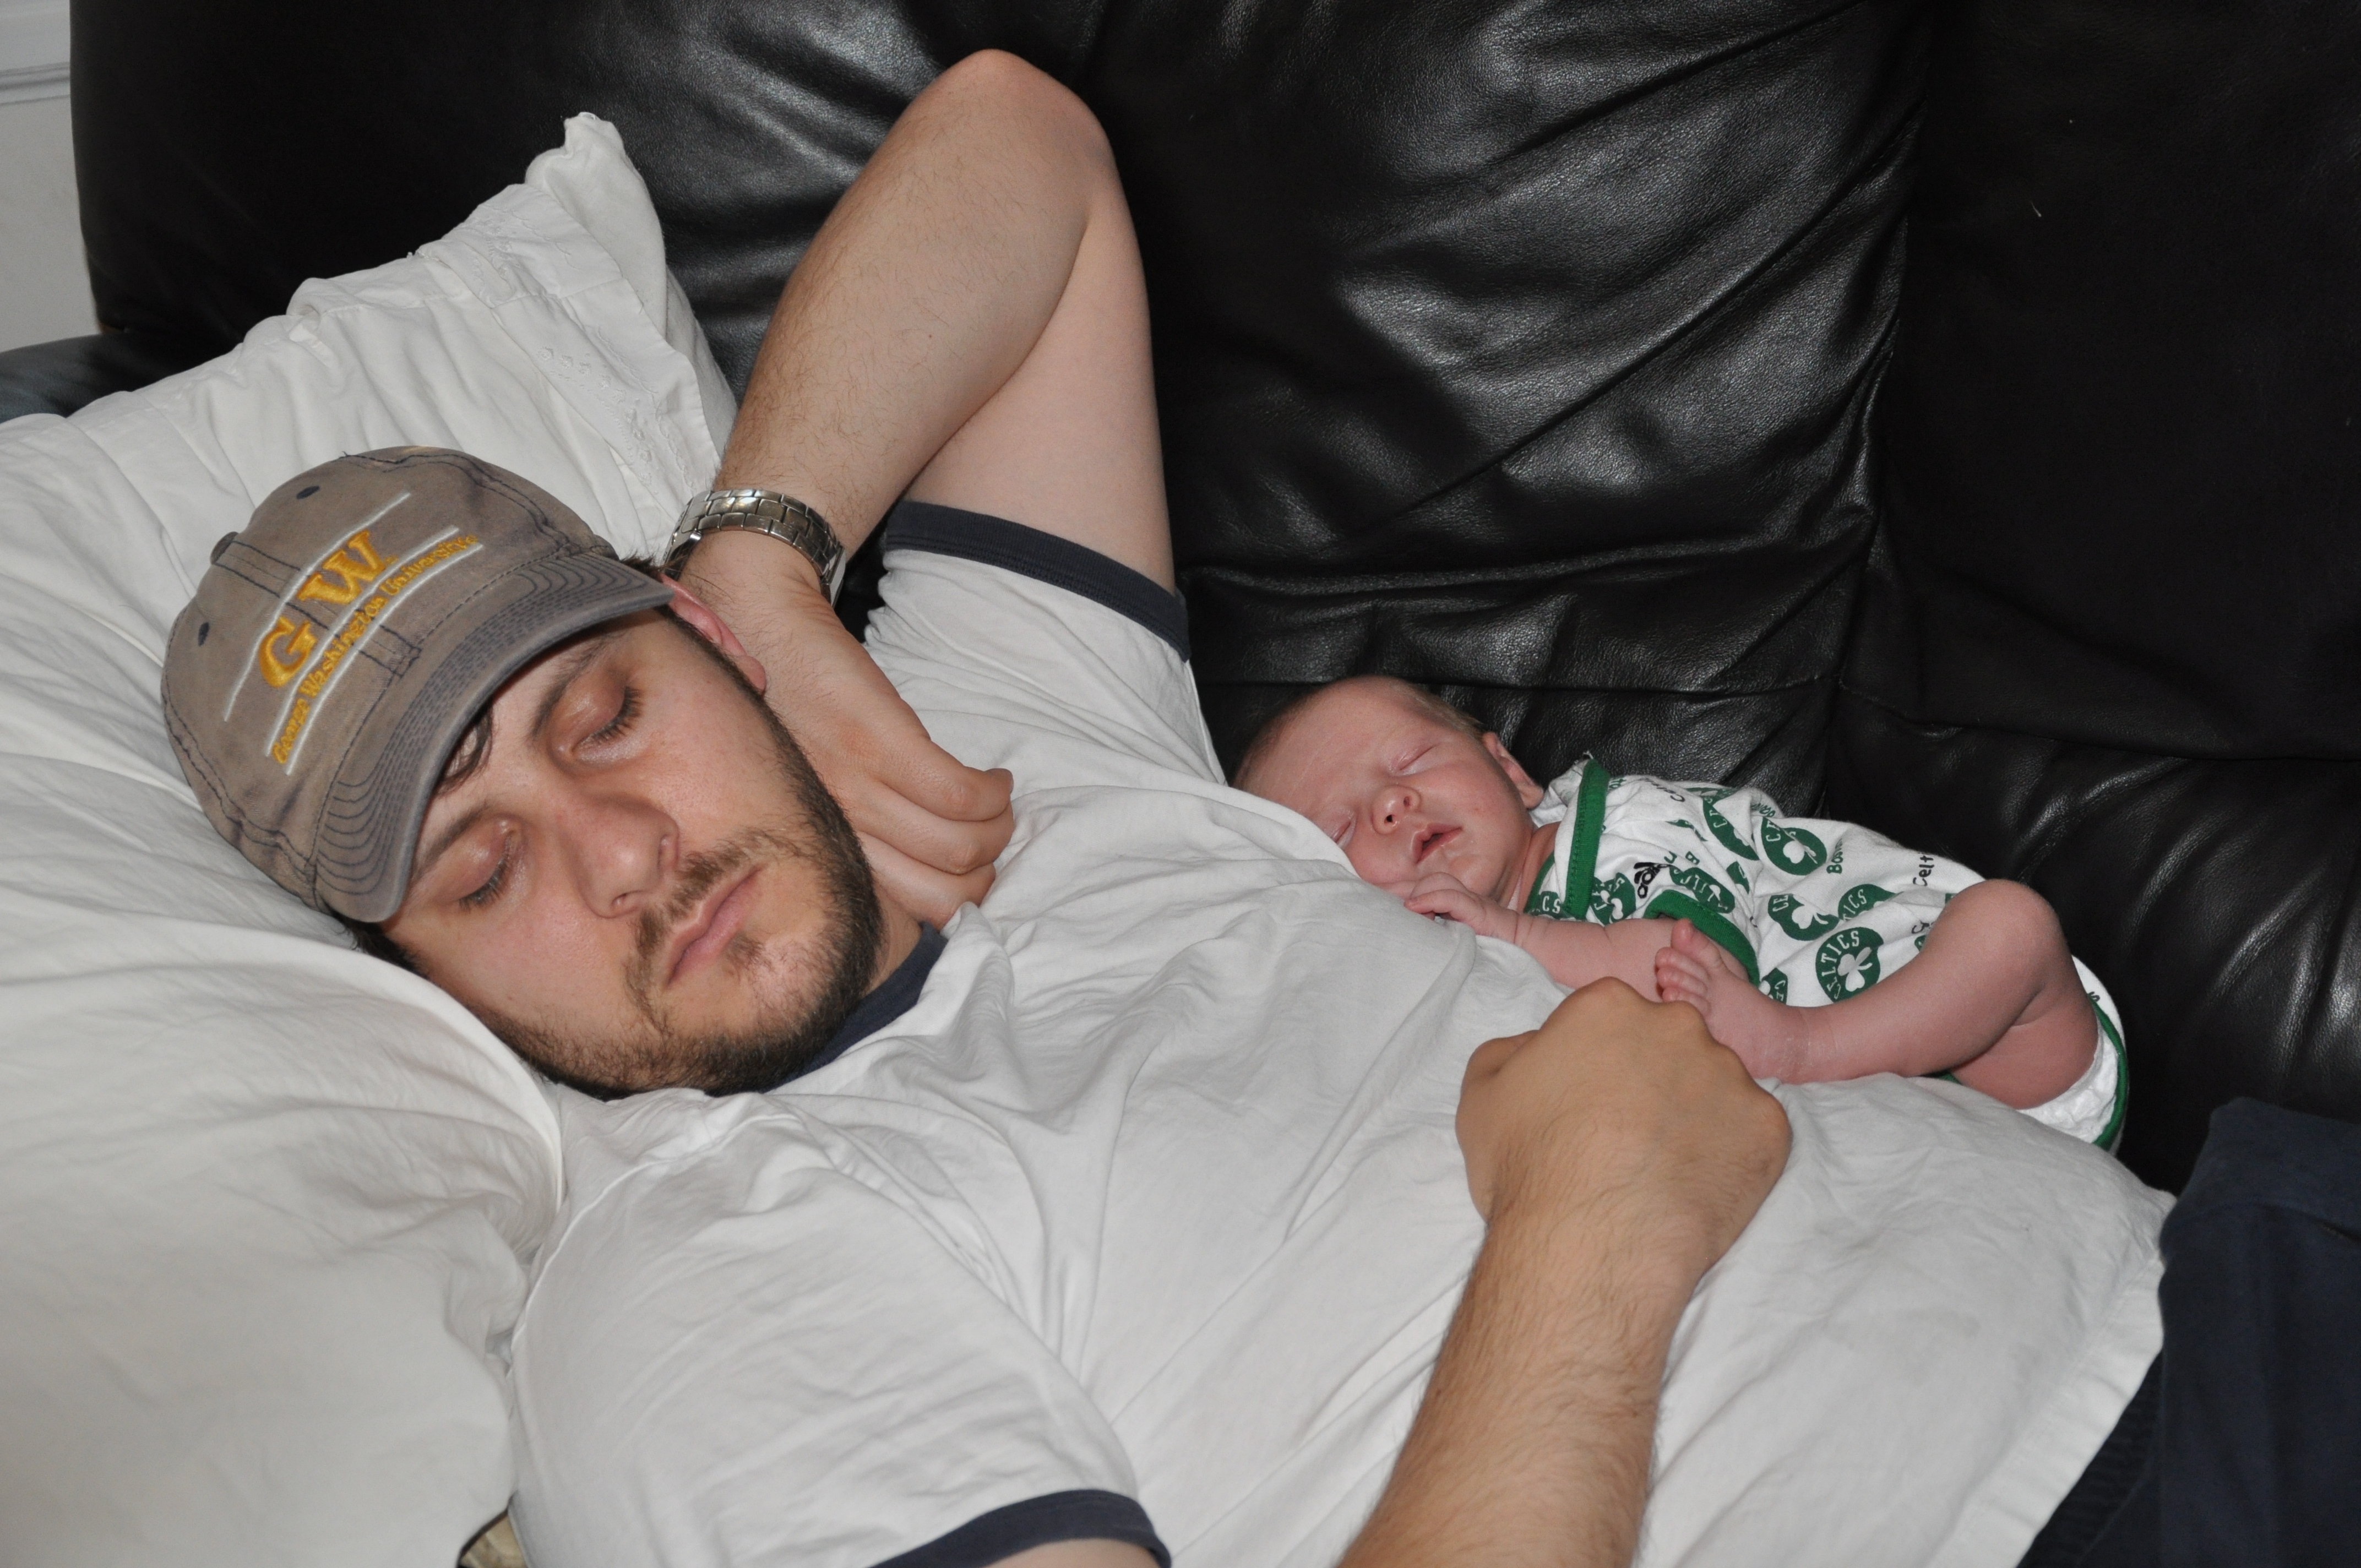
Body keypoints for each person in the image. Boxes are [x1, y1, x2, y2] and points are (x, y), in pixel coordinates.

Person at [154, 49, 2356, 1568]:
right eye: (481, 865)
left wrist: (764, 550)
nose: (620, 851)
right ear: (412, 963)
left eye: (602, 714)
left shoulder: (999, 732)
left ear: (691, 640)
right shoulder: (690, 1292)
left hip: (2228, 1270)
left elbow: (1016, 143)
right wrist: (1592, 1227)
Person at [1233, 676, 2123, 1143]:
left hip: (1975, 1039)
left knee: (2010, 927)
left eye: (1412, 762)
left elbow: (1687, 972)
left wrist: (1510, 929)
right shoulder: (1431, 969)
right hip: (1869, 1142)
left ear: (1510, 771)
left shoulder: (1620, 831)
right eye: (1342, 828)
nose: (1392, 806)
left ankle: (1808, 1045)